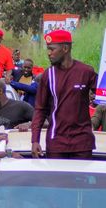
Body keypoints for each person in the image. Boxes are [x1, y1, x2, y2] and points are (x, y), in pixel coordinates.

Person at [31, 30, 97, 159]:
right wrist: (35, 140)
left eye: (52, 49)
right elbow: (40, 109)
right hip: (56, 143)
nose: (49, 53)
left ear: (65, 48)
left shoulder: (86, 71)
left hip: (82, 143)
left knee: (82, 179)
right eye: (48, 49)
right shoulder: (48, 75)